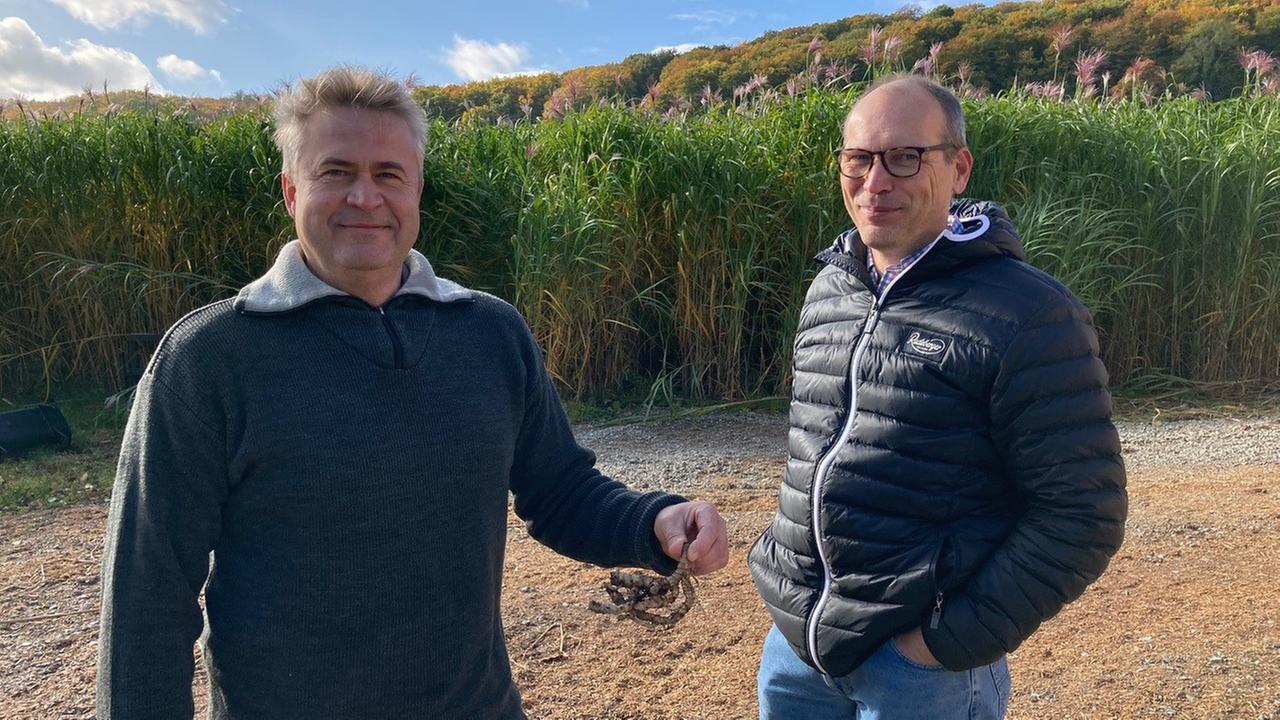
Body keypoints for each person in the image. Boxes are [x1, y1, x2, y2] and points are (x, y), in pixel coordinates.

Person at [96, 66, 728, 720]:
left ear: (418, 190)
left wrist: (654, 522)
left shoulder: (490, 332)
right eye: (335, 172)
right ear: (291, 191)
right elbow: (148, 594)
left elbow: (559, 490)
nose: (365, 197)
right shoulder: (210, 358)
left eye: (388, 174)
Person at [747, 73, 1128, 719]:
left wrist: (941, 645)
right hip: (797, 649)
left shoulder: (1028, 313)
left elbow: (1082, 514)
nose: (876, 182)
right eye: (858, 159)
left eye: (904, 157)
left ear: (958, 168)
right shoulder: (830, 291)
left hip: (919, 676)